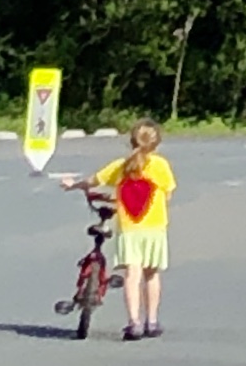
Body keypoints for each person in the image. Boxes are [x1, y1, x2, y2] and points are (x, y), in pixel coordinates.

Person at [63, 119, 177, 339]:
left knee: (132, 275)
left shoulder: (120, 166)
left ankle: (134, 323)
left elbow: (93, 181)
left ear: (131, 141)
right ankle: (151, 322)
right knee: (151, 274)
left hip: (130, 229)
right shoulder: (160, 165)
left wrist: (73, 185)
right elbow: (168, 194)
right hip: (155, 228)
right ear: (156, 143)